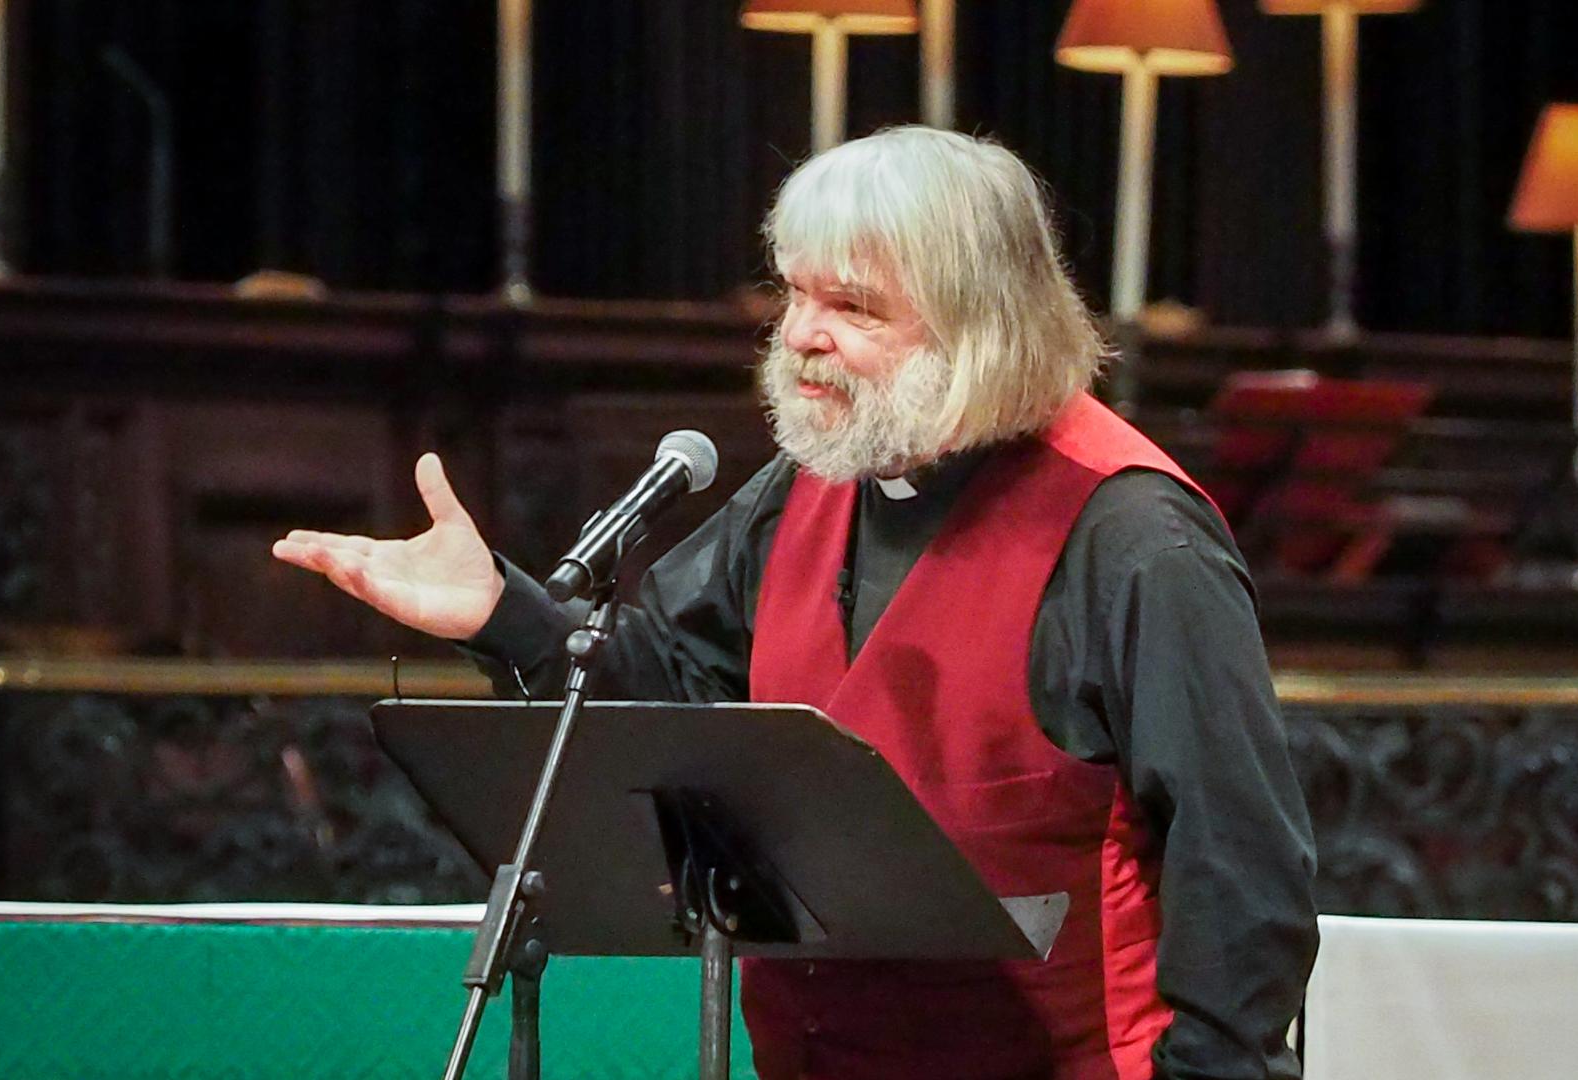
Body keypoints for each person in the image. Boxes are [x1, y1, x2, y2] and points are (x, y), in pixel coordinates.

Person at [275, 126, 1317, 1080]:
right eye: (794, 295)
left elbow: (1244, 870)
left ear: (981, 327)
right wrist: (499, 612)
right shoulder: (813, 482)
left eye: (852, 306)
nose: (800, 336)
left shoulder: (1133, 537)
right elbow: (670, 708)